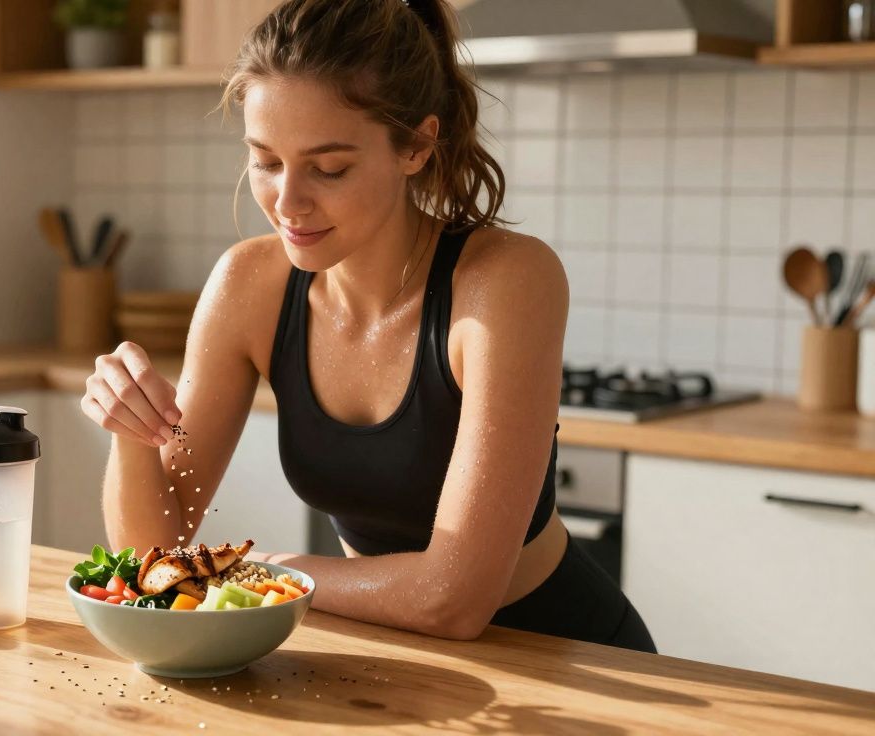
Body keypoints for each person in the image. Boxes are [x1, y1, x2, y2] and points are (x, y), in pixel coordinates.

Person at [79, 0, 656, 653]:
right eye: (265, 160)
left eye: (329, 168)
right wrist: (131, 433)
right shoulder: (250, 287)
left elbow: (454, 600)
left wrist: (266, 576)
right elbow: (153, 561)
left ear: (416, 145)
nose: (288, 202)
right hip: (388, 651)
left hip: (568, 657)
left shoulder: (505, 282)